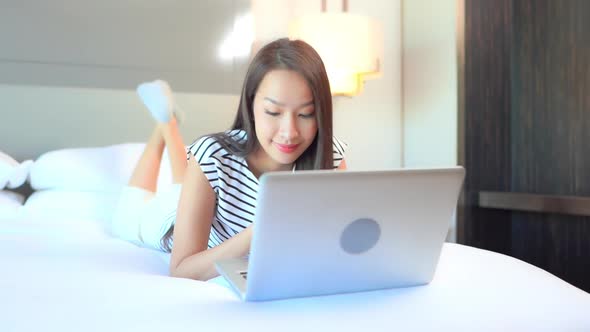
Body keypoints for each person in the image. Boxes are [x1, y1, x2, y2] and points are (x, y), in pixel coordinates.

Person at [112, 38, 347, 281]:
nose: (289, 132)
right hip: (166, 222)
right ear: (251, 104)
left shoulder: (331, 158)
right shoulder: (213, 155)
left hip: (207, 192)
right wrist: (254, 235)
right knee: (129, 212)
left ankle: (168, 120)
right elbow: (181, 268)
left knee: (190, 178)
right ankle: (165, 124)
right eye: (273, 112)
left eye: (306, 114)